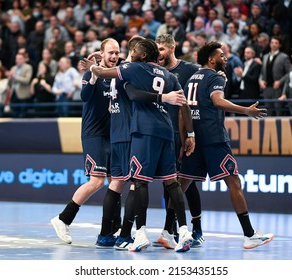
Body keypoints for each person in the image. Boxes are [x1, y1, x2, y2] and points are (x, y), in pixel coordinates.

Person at [81, 39, 195, 253]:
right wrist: (190, 134)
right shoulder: (169, 75)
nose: (128, 54)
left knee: (138, 182)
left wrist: (92, 68)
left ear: (142, 55)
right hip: (166, 131)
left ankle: (137, 233)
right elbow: (184, 104)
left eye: (132, 51)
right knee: (172, 182)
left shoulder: (132, 69)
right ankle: (184, 230)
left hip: (143, 130)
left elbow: (121, 85)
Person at [178, 41, 274, 250]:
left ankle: (172, 231)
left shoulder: (191, 78)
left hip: (194, 139)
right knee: (234, 182)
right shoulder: (214, 77)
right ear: (211, 59)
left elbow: (182, 111)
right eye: (222, 55)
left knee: (179, 185)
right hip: (214, 139)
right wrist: (246, 110)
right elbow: (218, 101)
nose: (225, 58)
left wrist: (185, 137)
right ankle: (249, 234)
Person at [50, 38, 121, 244]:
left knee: (116, 182)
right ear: (101, 53)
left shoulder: (118, 73)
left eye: (117, 53)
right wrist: (93, 73)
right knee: (97, 180)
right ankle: (63, 219)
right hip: (94, 134)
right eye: (110, 53)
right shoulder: (92, 73)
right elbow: (85, 96)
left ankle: (113, 229)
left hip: (113, 135)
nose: (114, 56)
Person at [155, 33, 204, 248]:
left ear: (172, 48)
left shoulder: (190, 70)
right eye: (157, 51)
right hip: (166, 133)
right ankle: (171, 230)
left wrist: (191, 134)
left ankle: (197, 227)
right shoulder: (156, 72)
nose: (159, 54)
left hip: (185, 134)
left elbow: (206, 82)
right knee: (170, 184)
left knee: (187, 181)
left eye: (162, 50)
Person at [259, 36, 291, 116]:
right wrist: (260, 80)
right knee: (267, 112)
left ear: (279, 45)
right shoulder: (265, 56)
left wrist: (280, 82)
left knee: (278, 111)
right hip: (266, 88)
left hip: (278, 89)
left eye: (276, 43)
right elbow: (262, 72)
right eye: (272, 43)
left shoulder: (284, 57)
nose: (273, 45)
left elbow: (289, 73)